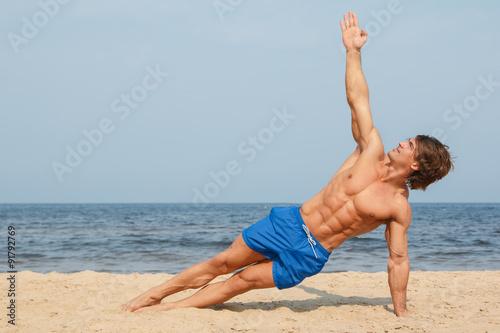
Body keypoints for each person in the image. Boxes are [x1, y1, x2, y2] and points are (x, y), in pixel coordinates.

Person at [122, 11, 453, 317]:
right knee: (223, 262)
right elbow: (358, 98)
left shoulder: (398, 207)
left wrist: (401, 311)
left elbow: (398, 260)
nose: (400, 142)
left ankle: (171, 310)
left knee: (241, 283)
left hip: (310, 253)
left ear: (416, 165)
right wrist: (353, 52)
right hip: (291, 223)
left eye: (408, 146)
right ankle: (153, 295)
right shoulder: (370, 149)